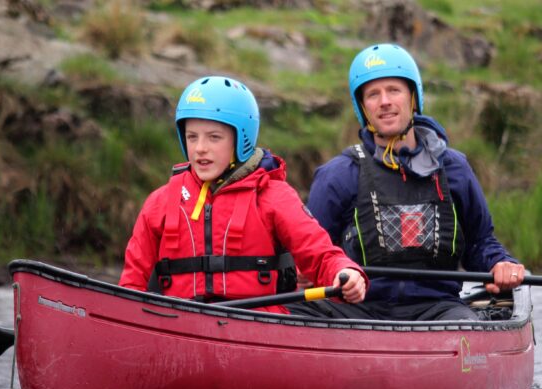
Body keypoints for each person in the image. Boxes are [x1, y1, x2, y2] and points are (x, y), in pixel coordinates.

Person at [290, 43, 525, 321]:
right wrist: (302, 273)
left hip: (438, 311)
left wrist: (501, 263)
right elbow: (312, 253)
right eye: (373, 94)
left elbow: (480, 242)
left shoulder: (454, 168)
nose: (385, 101)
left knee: (464, 326)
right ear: (363, 108)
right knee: (292, 312)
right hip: (354, 312)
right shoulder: (339, 174)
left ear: (413, 98)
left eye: (394, 90)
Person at [119, 75, 368, 314]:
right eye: (192, 137)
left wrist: (344, 272)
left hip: (257, 326)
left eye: (214, 137)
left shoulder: (273, 196)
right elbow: (130, 285)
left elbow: (320, 254)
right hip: (178, 323)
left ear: (241, 139)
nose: (200, 148)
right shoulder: (160, 202)